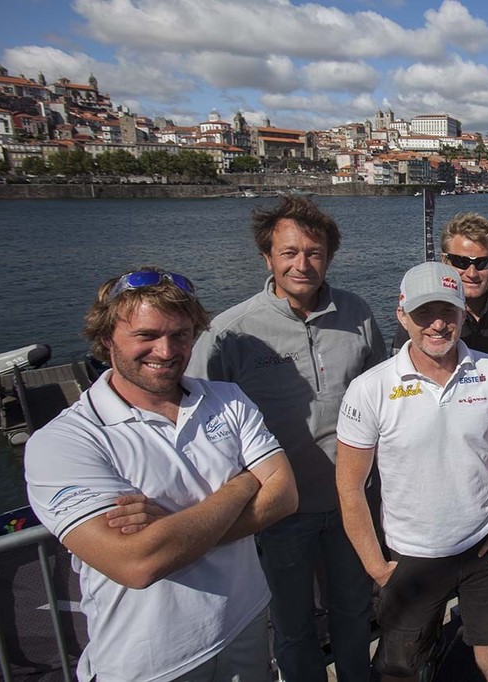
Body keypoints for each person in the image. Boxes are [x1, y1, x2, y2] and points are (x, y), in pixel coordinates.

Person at [25, 268, 299, 682]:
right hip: (149, 661)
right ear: (105, 340)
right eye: (146, 335)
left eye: (181, 334)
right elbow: (138, 563)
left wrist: (172, 531)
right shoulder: (64, 442)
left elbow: (284, 496)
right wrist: (243, 484)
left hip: (245, 625)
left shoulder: (226, 398)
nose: (167, 350)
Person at [188, 197, 386, 682]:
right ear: (267, 258)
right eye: (289, 252)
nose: (302, 264)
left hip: (351, 502)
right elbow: (192, 419)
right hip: (280, 513)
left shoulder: (356, 312)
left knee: (354, 613)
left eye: (314, 252)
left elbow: (384, 395)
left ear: (329, 257)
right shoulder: (229, 334)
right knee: (294, 628)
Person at [336, 262, 488, 682]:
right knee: (403, 668)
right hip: (412, 556)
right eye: (423, 313)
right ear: (402, 315)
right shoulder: (371, 388)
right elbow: (350, 486)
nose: (437, 325)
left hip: (486, 546)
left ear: (463, 313)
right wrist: (376, 567)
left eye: (447, 311)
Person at [390, 213, 488, 673]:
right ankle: (432, 646)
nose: (471, 271)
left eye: (482, 261)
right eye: (460, 260)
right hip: (432, 494)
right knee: (427, 604)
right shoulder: (417, 326)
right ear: (445, 260)